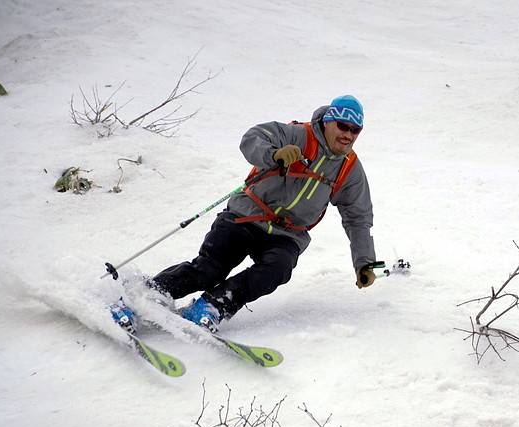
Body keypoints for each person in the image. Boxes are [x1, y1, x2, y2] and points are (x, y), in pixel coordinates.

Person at [113, 95, 377, 333]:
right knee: (208, 270)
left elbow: (358, 217)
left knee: (277, 269)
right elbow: (252, 138)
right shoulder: (297, 134)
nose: (348, 135)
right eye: (343, 127)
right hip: (246, 215)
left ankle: (213, 306)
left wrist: (364, 261)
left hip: (287, 234)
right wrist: (274, 154)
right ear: (328, 122)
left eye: (356, 130)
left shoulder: (349, 169)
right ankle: (143, 295)